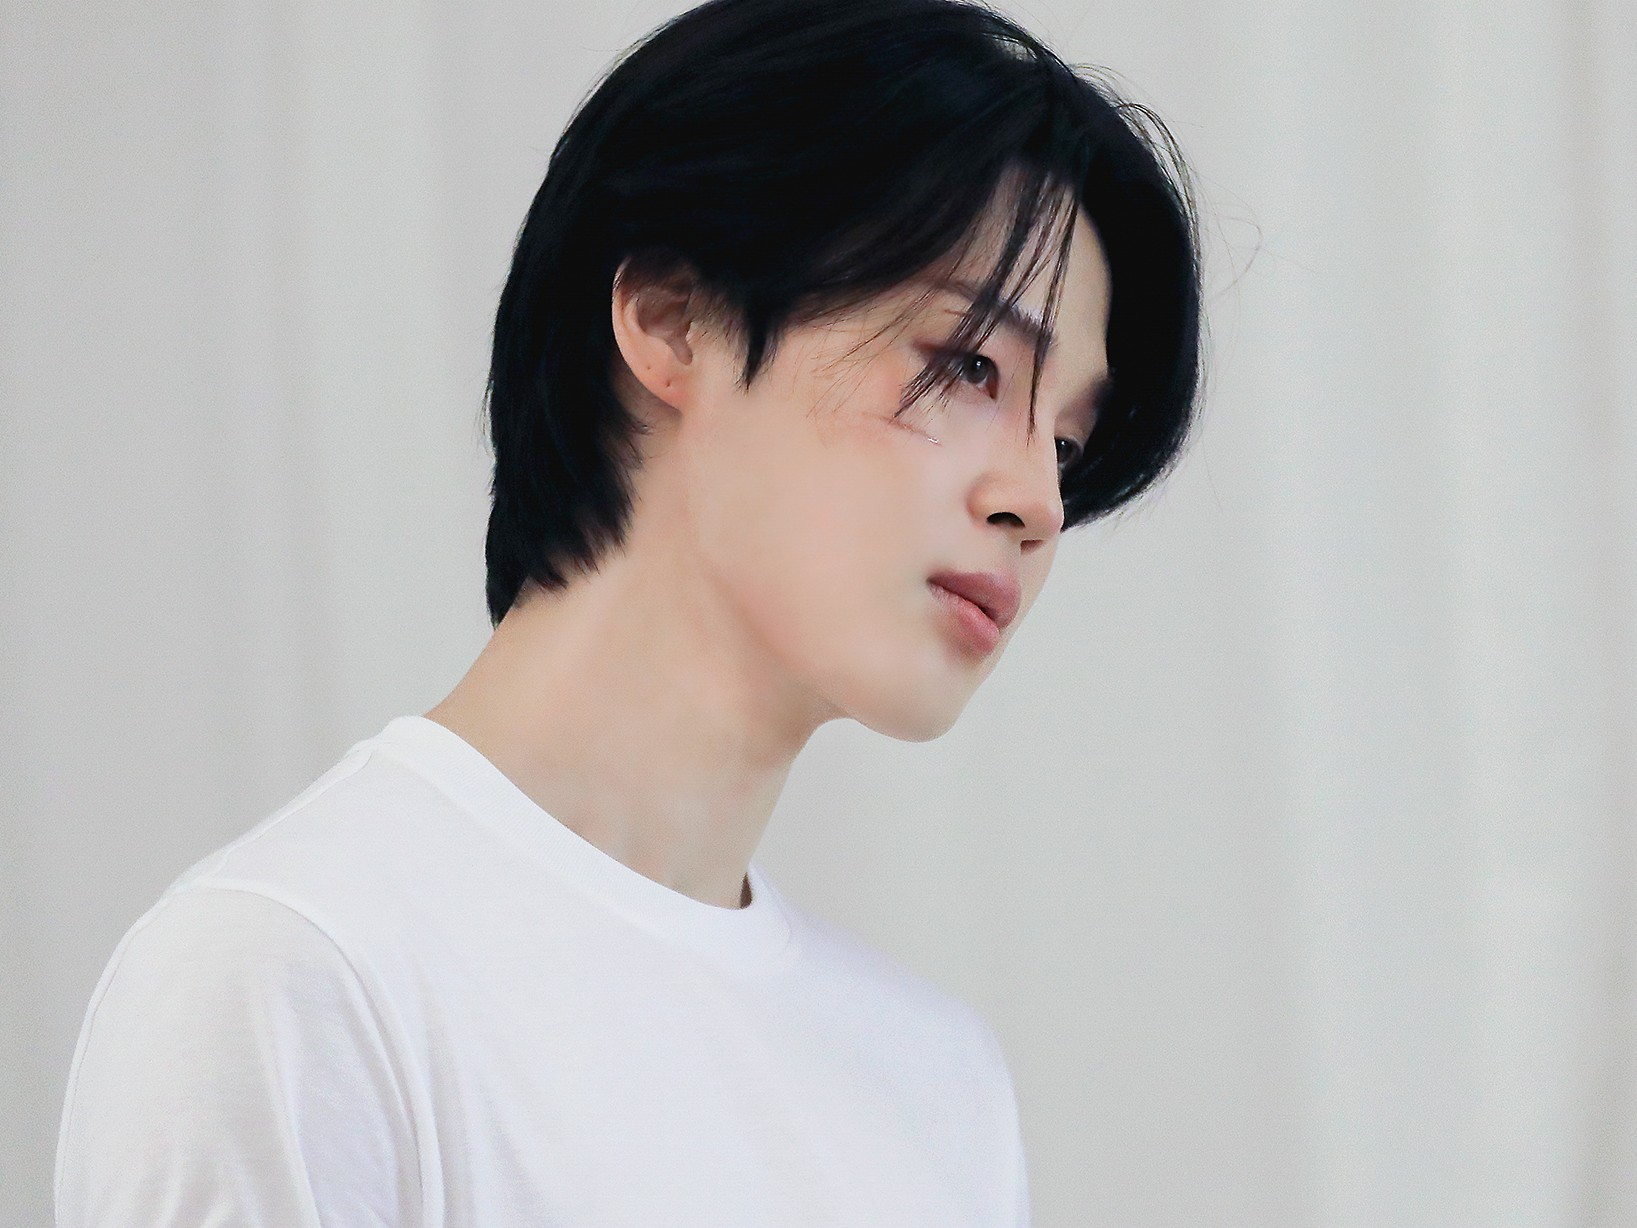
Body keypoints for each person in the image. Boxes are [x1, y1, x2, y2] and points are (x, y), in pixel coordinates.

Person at [53, 0, 1204, 1223]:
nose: (1036, 502)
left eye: (1065, 443)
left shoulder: (937, 1086)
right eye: (968, 365)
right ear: (671, 320)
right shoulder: (298, 979)